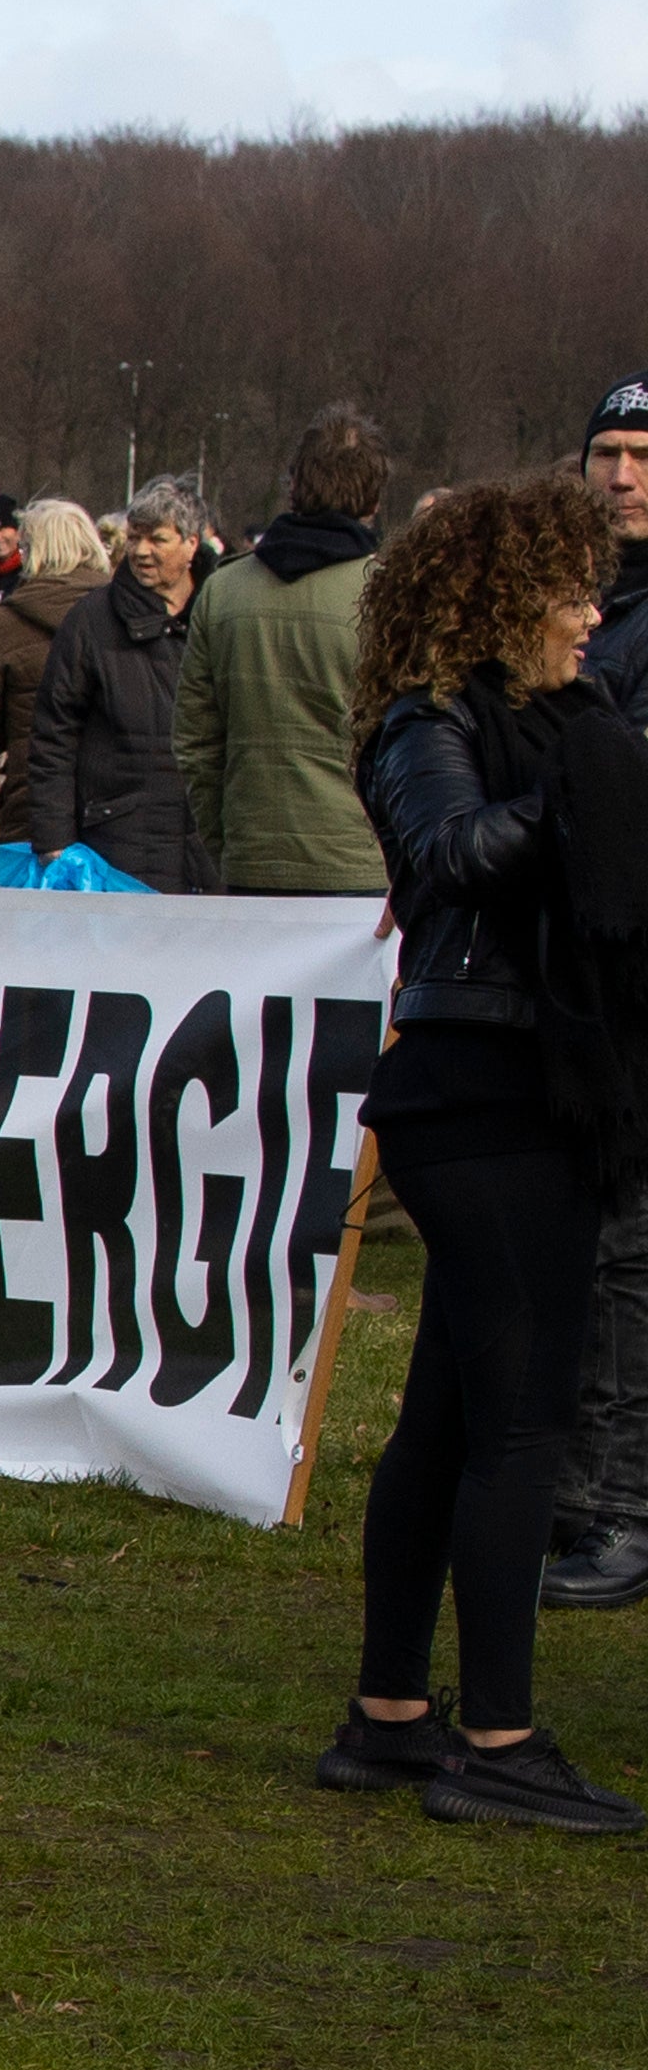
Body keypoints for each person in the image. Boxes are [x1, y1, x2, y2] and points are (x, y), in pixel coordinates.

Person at [316, 474, 648, 1828]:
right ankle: (499, 1739)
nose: (592, 616)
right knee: (521, 1423)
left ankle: (393, 1714)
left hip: (517, 1087)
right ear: (504, 599)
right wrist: (579, 795)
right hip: (485, 1092)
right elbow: (448, 854)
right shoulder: (428, 719)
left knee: (454, 1415)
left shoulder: (559, 719)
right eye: (570, 592)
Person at [545, 380, 648, 1611]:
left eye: (643, 455)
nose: (621, 476)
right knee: (585, 1239)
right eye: (607, 452)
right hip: (571, 973)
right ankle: (577, 1487)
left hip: (631, 975)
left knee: (627, 1248)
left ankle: (620, 1504)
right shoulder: (576, 594)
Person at [178, 407, 393, 897]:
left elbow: (195, 741)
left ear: (293, 484)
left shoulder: (222, 590)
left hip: (253, 857)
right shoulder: (391, 595)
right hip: (362, 865)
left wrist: (226, 842)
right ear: (375, 498)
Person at [9, 484, 208, 887]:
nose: (141, 551)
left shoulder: (218, 617)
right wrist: (53, 837)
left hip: (207, 840)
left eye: (157, 539)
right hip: (117, 840)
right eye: (134, 538)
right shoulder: (91, 621)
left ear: (191, 544)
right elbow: (54, 733)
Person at [0, 498, 103, 880]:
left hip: (30, 803)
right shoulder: (125, 616)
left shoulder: (4, 623)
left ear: (31, 551)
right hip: (116, 806)